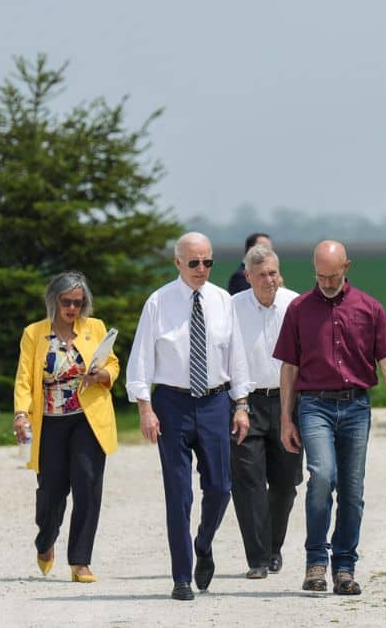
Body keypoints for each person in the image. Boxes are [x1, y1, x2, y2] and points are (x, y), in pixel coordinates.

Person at [275, 240, 386, 596]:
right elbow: (289, 367)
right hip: (314, 405)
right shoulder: (299, 309)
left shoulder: (369, 308)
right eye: (320, 276)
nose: (326, 283)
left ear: (346, 267)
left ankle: (345, 568)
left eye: (333, 276)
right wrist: (285, 419)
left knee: (352, 491)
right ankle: (315, 562)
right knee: (321, 476)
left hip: (355, 407)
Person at [125, 232, 252, 601]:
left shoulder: (222, 301)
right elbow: (141, 359)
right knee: (178, 494)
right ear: (178, 262)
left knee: (220, 488)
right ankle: (181, 576)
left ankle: (204, 542)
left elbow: (236, 357)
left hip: (215, 403)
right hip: (171, 404)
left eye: (207, 262)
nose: (201, 269)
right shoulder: (158, 302)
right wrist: (145, 408)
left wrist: (241, 405)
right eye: (194, 262)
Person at [13, 271, 119, 584]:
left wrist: (103, 375)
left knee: (88, 486)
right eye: (66, 302)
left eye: (78, 302)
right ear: (54, 301)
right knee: (51, 493)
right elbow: (23, 378)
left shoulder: (95, 328)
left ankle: (80, 560)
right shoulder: (34, 333)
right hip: (50, 423)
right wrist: (21, 414)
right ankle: (45, 541)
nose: (73, 308)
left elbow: (112, 363)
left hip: (88, 420)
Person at [230, 243, 303, 579]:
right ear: (248, 277)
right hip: (245, 403)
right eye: (261, 275)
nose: (269, 280)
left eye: (273, 273)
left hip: (290, 402)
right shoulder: (231, 308)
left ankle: (274, 548)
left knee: (286, 482)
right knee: (248, 482)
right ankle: (257, 559)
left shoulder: (296, 304)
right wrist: (238, 404)